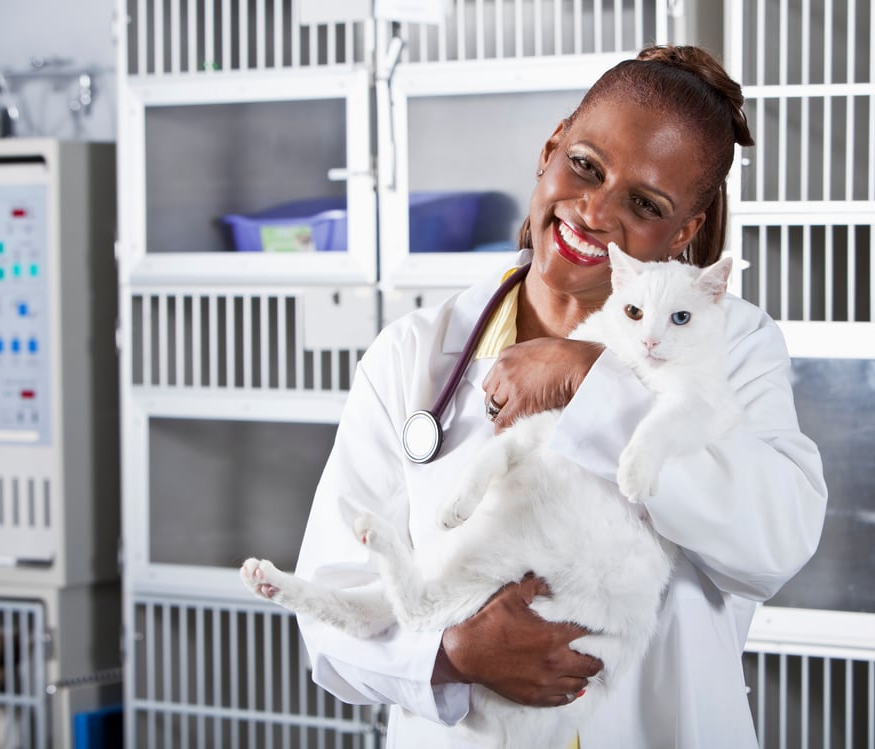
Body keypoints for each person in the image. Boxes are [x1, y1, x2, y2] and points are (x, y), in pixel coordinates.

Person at [294, 44, 828, 748]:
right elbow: (327, 613)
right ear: (551, 149)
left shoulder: (735, 349)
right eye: (585, 165)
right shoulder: (412, 357)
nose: (595, 211)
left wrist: (592, 385)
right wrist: (453, 657)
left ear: (685, 231)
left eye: (644, 203)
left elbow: (777, 539)